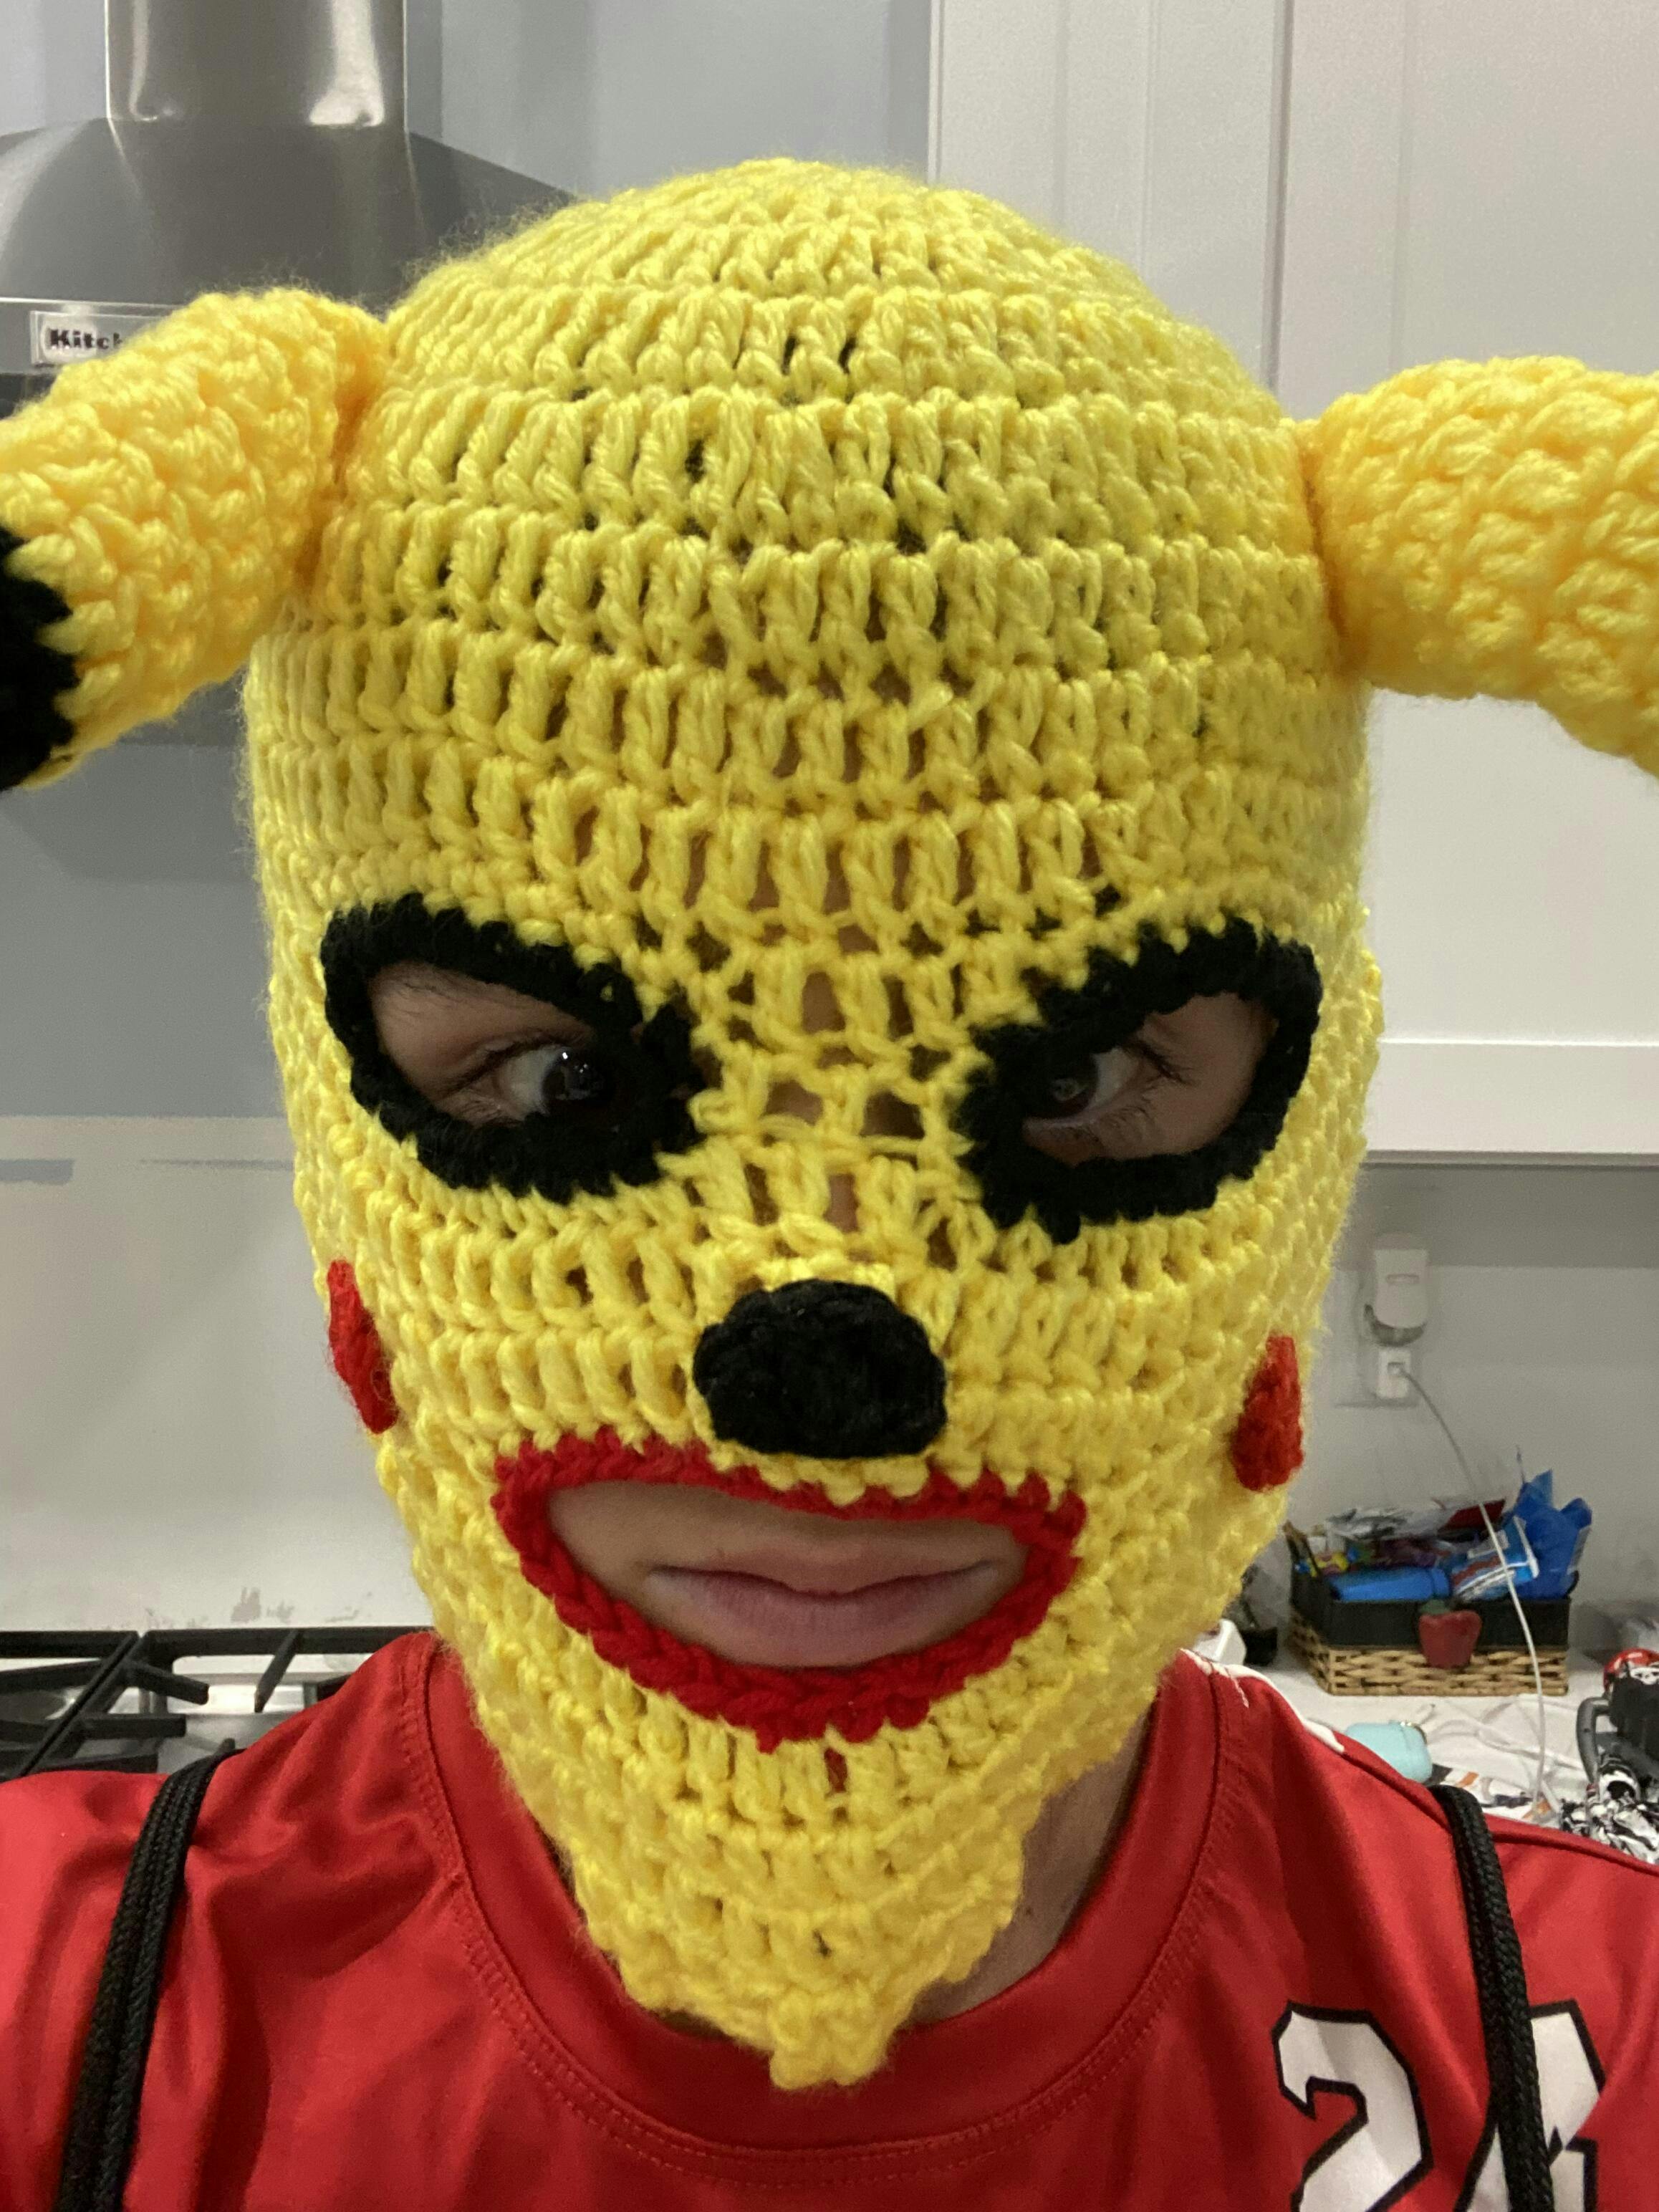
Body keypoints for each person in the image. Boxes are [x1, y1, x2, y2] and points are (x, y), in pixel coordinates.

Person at [1, 158, 1656, 2211]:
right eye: (560, 1077)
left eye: (1075, 1079)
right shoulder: (71, 2022)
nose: (818, 1347)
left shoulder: (1572, 2046)